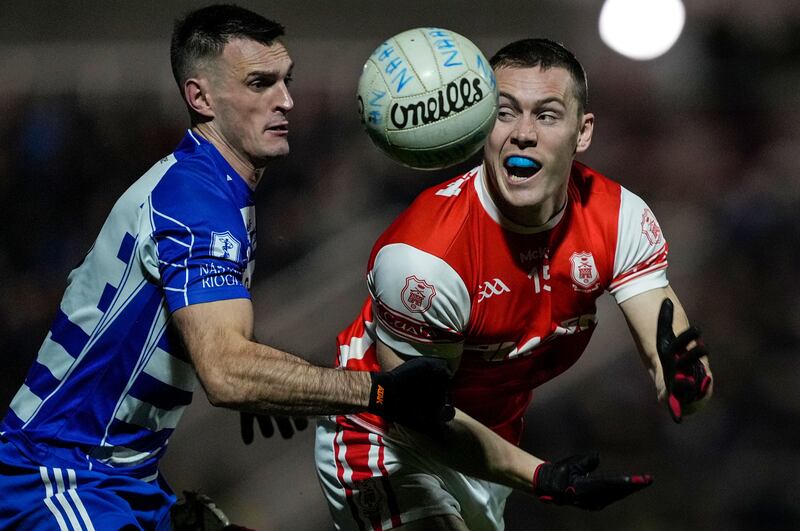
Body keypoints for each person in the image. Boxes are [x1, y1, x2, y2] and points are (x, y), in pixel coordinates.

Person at [0, 5, 452, 529]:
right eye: (260, 83)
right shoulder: (198, 202)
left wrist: (270, 373)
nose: (285, 100)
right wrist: (381, 393)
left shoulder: (209, 187)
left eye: (286, 81)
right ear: (201, 97)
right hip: (60, 476)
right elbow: (227, 372)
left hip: (124, 478)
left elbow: (209, 333)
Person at [313, 38, 714, 530]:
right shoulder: (425, 259)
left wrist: (690, 385)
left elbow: (669, 349)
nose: (522, 134)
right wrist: (541, 476)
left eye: (546, 115)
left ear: (582, 132)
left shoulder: (620, 219)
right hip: (386, 436)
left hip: (491, 448)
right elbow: (416, 414)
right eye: (504, 113)